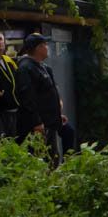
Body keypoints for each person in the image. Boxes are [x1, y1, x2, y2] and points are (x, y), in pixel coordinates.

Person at [15, 33, 75, 162]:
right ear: (38, 48)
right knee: (43, 156)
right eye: (45, 45)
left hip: (50, 120)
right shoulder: (26, 68)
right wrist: (36, 123)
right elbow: (27, 98)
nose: (47, 48)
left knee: (62, 141)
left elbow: (50, 92)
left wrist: (57, 114)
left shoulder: (43, 67)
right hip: (37, 123)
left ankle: (66, 166)